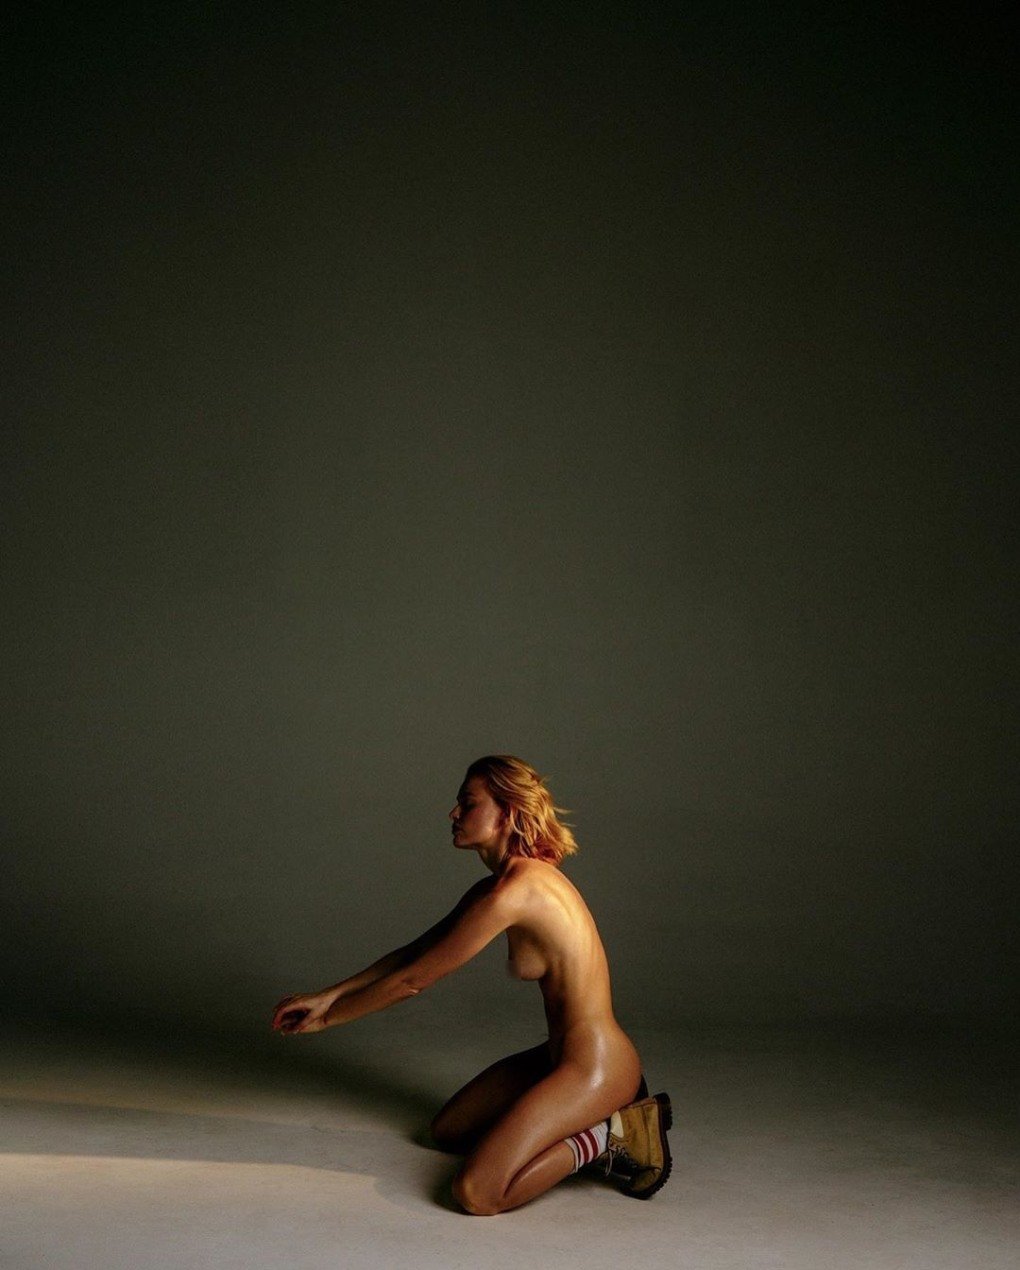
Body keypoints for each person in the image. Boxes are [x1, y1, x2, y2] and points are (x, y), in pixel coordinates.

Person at [271, 754, 671, 1215]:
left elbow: (413, 981)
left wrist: (329, 1020)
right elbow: (415, 952)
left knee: (477, 1193)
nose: (453, 813)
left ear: (507, 813)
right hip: (555, 1056)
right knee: (448, 1132)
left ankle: (611, 1134)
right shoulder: (496, 887)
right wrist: (328, 996)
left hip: (597, 1063)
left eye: (468, 803)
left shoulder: (516, 893)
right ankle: (574, 1119)